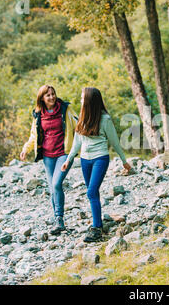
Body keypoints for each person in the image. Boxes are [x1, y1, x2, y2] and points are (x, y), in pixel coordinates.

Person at [61, 87, 131, 243]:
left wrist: (124, 160)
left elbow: (114, 141)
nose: (80, 100)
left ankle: (97, 228)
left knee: (91, 192)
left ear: (89, 101)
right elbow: (77, 141)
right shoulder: (81, 117)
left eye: (82, 98)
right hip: (85, 160)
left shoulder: (105, 119)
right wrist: (68, 160)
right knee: (93, 193)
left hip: (100, 158)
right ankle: (97, 222)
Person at [20, 85, 78, 235]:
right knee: (52, 188)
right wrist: (25, 149)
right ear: (42, 98)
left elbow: (78, 125)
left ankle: (59, 217)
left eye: (53, 94)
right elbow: (34, 135)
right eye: (48, 95)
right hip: (47, 155)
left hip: (64, 153)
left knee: (56, 183)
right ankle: (58, 221)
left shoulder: (65, 109)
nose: (52, 97)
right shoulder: (38, 114)